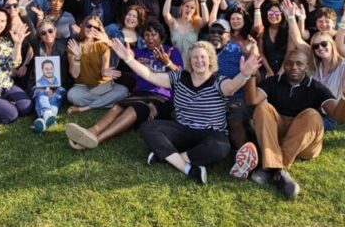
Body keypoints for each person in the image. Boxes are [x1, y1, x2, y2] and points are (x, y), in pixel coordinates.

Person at [112, 39, 262, 185]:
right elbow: (150, 75)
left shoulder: (218, 82)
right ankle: (188, 169)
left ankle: (166, 157)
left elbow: (231, 86)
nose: (199, 61)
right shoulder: (178, 77)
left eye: (203, 57)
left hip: (210, 133)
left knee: (221, 147)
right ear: (190, 61)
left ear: (210, 60)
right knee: (148, 128)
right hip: (183, 130)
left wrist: (244, 75)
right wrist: (129, 59)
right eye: (195, 57)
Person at [244, 48, 345, 200]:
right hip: (279, 135)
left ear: (307, 66)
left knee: (313, 115)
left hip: (305, 143)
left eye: (299, 63)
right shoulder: (273, 82)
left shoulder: (316, 88)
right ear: (285, 65)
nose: (294, 67)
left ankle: (271, 166)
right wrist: (250, 75)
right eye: (289, 64)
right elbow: (252, 100)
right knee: (263, 108)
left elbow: (339, 116)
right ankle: (279, 171)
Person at [65, 22, 183, 150]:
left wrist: (168, 63)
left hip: (161, 97)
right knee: (118, 107)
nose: (150, 38)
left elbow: (180, 75)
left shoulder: (171, 51)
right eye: (147, 35)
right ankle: (91, 131)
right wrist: (115, 45)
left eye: (153, 35)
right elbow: (128, 54)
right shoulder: (140, 52)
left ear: (161, 36)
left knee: (132, 109)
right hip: (140, 93)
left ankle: (97, 140)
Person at [65, 15, 129, 112]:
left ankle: (85, 108)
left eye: (95, 27)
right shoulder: (74, 46)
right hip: (82, 87)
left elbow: (104, 71)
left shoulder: (103, 46)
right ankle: (106, 102)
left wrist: (106, 72)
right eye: (89, 26)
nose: (92, 29)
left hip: (102, 87)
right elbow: (74, 74)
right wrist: (77, 57)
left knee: (123, 91)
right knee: (71, 95)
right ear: (83, 26)